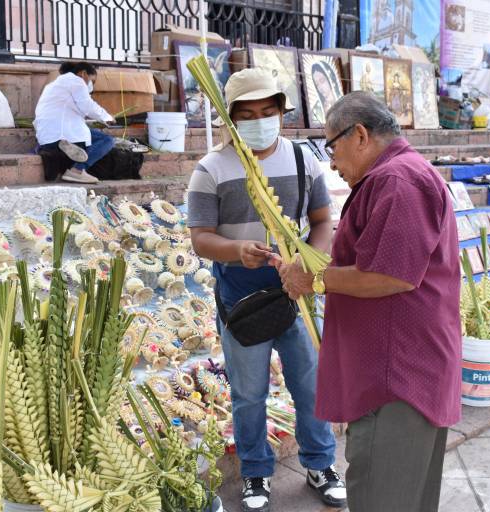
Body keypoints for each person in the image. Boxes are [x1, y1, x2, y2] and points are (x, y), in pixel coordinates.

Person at [275, 91, 462, 512]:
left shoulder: (398, 180)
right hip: (400, 370)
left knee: (384, 494)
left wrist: (314, 279)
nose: (333, 162)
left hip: (396, 380)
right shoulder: (396, 176)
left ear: (358, 135)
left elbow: (389, 275)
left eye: (332, 146)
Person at [186, 67, 347, 512]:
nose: (260, 120)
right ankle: (256, 473)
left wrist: (307, 266)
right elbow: (200, 238)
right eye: (248, 114)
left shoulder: (302, 161)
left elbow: (321, 223)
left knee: (310, 386)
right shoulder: (211, 169)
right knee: (249, 393)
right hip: (241, 298)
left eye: (268, 111)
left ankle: (321, 463)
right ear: (231, 119)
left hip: (295, 293)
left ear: (281, 112)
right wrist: (237, 249)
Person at [35, 61, 115, 184]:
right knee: (107, 140)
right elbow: (88, 106)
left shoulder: (53, 85)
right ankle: (77, 170)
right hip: (63, 132)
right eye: (92, 81)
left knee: (89, 133)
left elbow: (71, 112)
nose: (91, 85)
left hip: (46, 135)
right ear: (83, 73)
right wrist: (107, 117)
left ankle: (62, 146)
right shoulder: (77, 81)